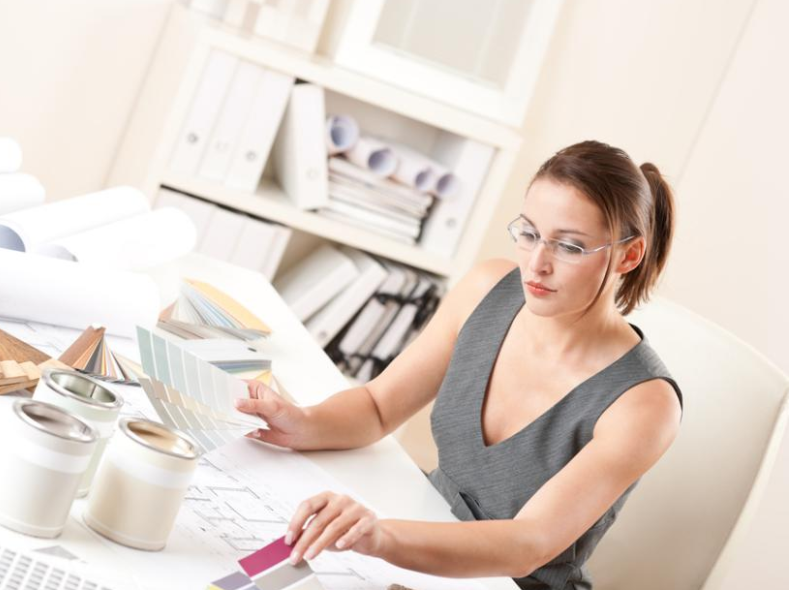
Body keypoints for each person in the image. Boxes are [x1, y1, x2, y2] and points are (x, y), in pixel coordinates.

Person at [235, 140, 683, 590]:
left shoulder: (645, 403)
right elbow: (378, 407)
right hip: (419, 541)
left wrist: (381, 536)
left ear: (629, 255)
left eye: (569, 246)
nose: (536, 264)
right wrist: (302, 424)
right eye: (529, 234)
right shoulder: (487, 289)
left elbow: (528, 543)